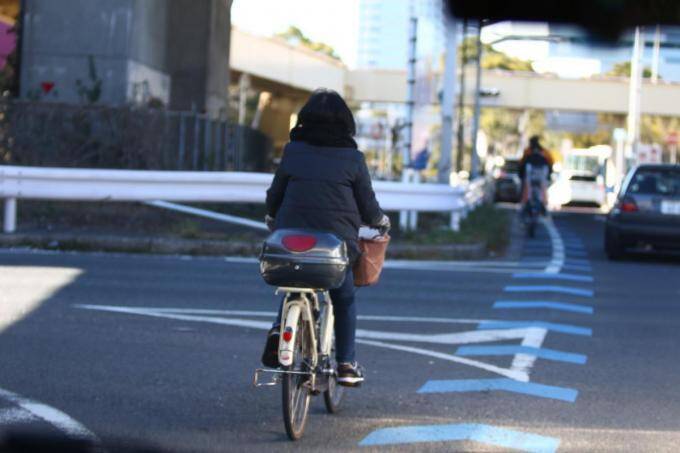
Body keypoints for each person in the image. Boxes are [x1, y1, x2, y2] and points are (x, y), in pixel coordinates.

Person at [261, 88, 390, 387]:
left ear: (304, 121)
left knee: (294, 277)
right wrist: (381, 222)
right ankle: (345, 363)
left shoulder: (292, 152)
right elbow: (368, 208)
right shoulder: (352, 158)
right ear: (346, 123)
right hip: (334, 248)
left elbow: (274, 197)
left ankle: (280, 329)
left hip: (288, 242)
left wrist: (273, 216)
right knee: (343, 298)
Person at [519, 135, 552, 214]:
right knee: (542, 187)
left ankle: (529, 204)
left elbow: (522, 164)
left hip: (534, 172)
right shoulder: (544, 151)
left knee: (528, 187)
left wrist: (521, 174)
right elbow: (551, 162)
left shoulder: (528, 151)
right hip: (541, 171)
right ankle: (541, 204)